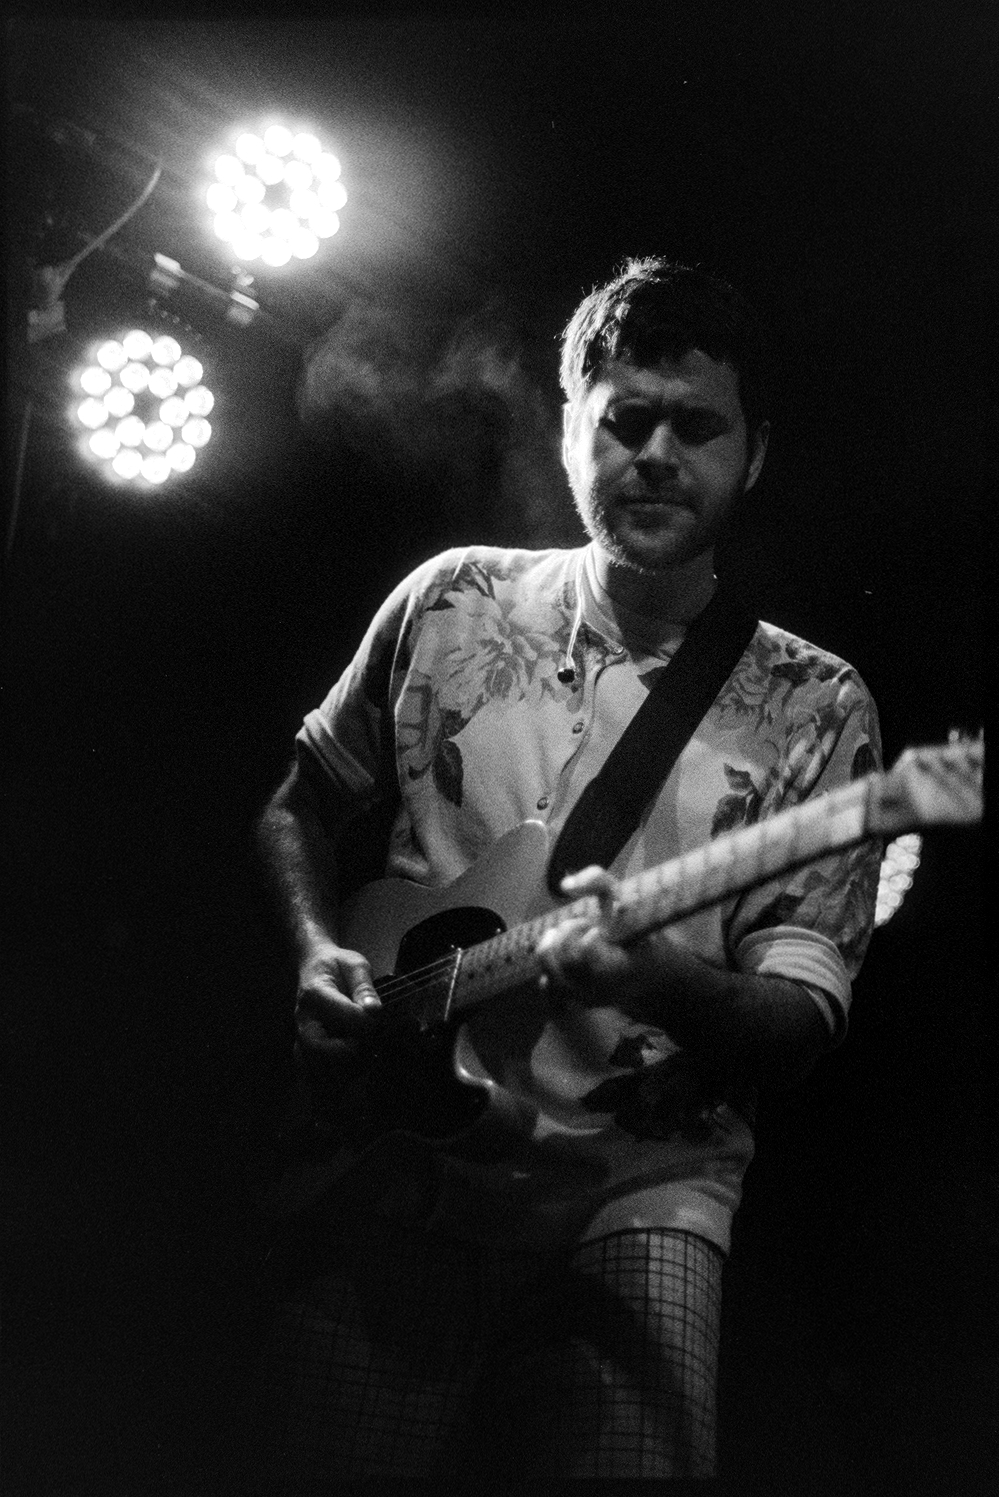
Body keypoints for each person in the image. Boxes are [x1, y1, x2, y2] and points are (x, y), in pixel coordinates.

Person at [256, 257, 882, 1490]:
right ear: (570, 430)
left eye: (695, 426)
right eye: (624, 420)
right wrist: (317, 951)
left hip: (639, 1189)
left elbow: (802, 1018)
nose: (655, 453)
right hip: (409, 1164)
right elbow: (297, 805)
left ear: (752, 455)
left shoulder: (818, 703)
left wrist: (655, 981)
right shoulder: (450, 600)